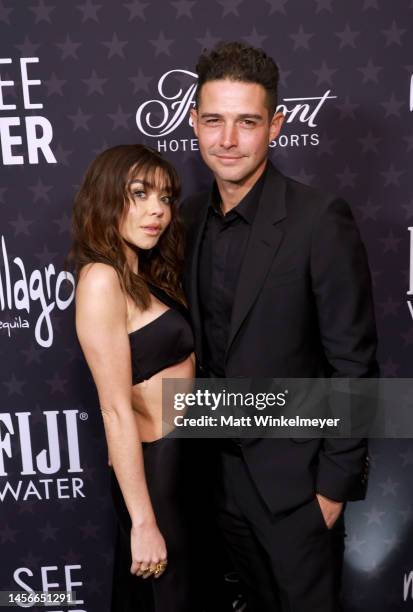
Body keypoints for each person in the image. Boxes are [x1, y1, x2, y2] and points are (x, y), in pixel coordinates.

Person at [181, 42, 378, 611]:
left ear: (276, 126)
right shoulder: (186, 219)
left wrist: (332, 489)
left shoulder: (320, 220)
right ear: (194, 123)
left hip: (295, 489)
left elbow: (354, 364)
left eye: (247, 122)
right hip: (207, 481)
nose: (228, 139)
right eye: (214, 121)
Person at [69, 144, 196, 612]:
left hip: (186, 468)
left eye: (165, 198)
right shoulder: (101, 279)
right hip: (156, 479)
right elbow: (116, 408)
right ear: (105, 198)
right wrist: (144, 522)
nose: (156, 211)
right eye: (139, 194)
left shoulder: (145, 275)